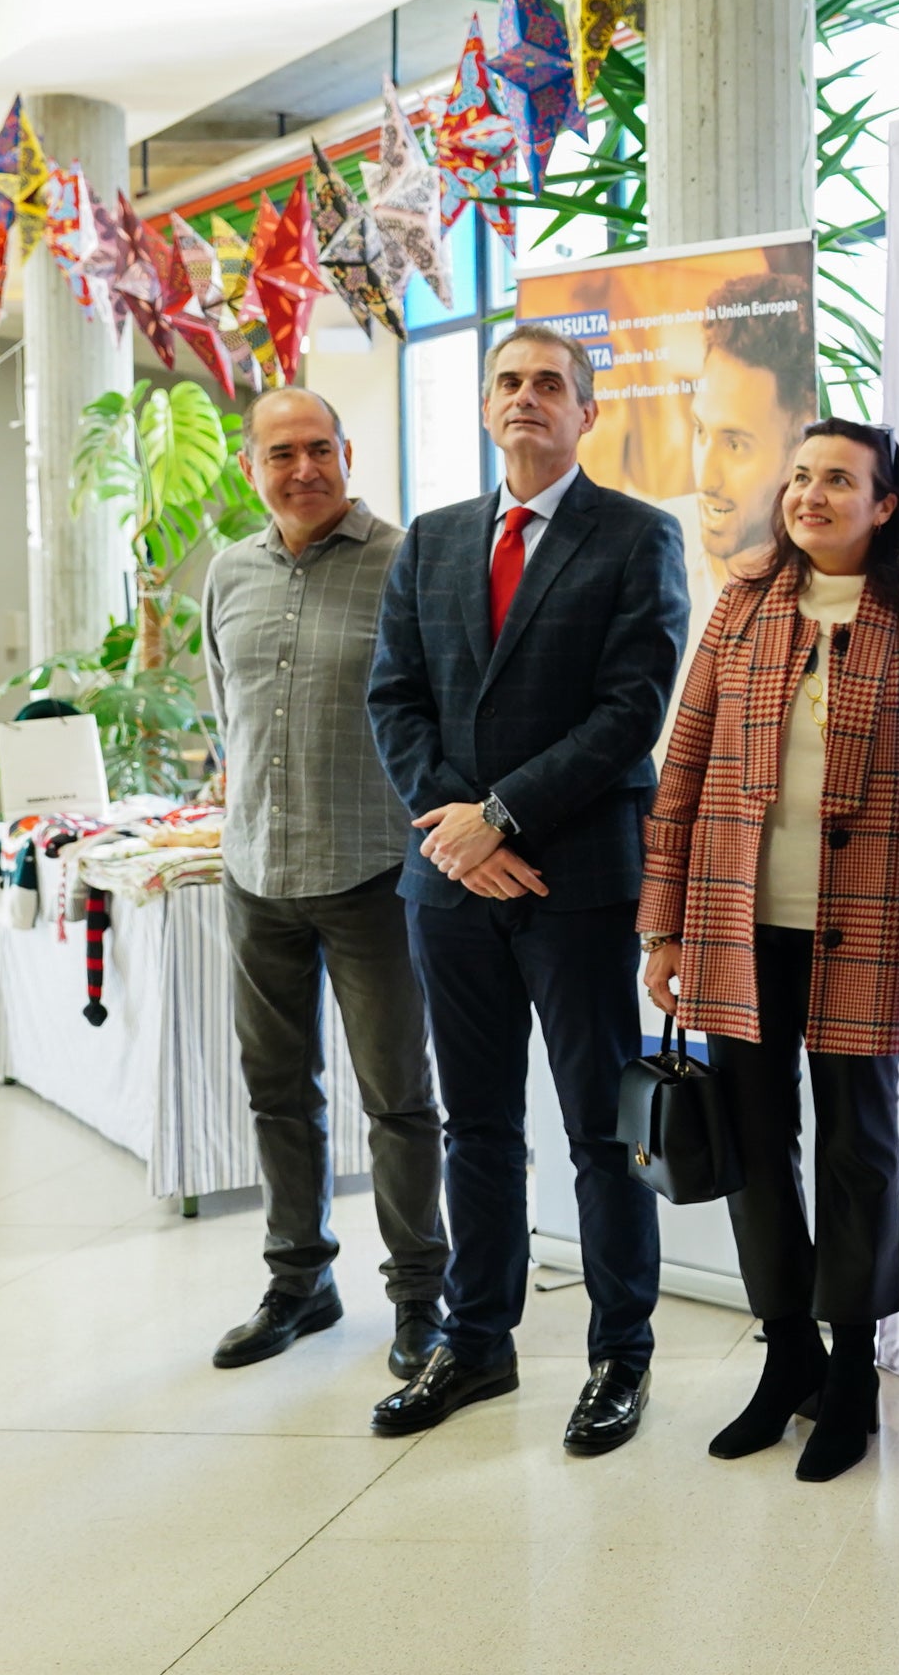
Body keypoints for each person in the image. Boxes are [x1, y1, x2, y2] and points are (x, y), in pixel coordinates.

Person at [364, 325, 689, 1453]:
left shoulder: (638, 535)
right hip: (450, 887)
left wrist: (498, 814)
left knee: (605, 1130)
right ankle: (479, 1341)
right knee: (478, 1125)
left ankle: (619, 1355)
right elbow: (394, 699)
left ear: (586, 412)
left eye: (551, 383)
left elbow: (629, 710)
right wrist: (458, 835)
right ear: (486, 406)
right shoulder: (434, 540)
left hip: (578, 877)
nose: (527, 398)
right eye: (509, 381)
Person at [637, 420, 899, 1484]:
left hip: (868, 922)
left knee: (859, 1146)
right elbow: (680, 771)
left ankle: (854, 1383)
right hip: (735, 919)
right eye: (803, 476)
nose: (812, 495)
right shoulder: (741, 604)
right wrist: (663, 923)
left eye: (840, 482)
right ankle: (785, 1357)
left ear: (884, 505)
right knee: (752, 1141)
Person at [199, 386, 447, 1379]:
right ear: (251, 466)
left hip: (373, 874)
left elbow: (432, 714)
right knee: (275, 1091)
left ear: (349, 452)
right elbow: (230, 711)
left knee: (398, 1096)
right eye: (280, 452)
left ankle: (421, 1297)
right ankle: (299, 1279)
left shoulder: (405, 565)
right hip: (256, 870)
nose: (302, 468)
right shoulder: (226, 573)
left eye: (319, 448)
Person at [671, 297, 815, 615]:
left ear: (796, 450)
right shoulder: (654, 542)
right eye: (700, 430)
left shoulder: (824, 574)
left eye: (735, 444)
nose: (706, 479)